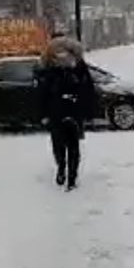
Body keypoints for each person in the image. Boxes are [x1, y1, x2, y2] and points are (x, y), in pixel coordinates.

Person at [35, 35, 96, 191]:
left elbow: (42, 92)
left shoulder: (47, 65)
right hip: (74, 111)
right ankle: (71, 178)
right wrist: (88, 111)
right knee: (73, 146)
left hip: (56, 111)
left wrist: (43, 114)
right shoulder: (78, 65)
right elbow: (88, 88)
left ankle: (62, 167)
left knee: (58, 144)